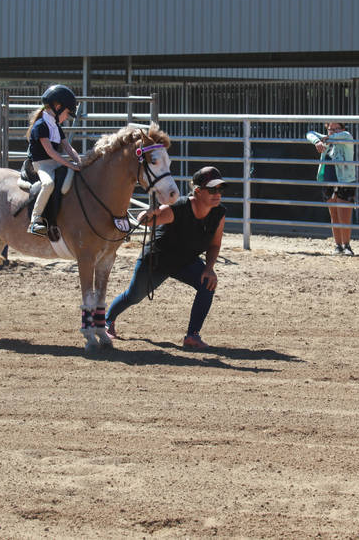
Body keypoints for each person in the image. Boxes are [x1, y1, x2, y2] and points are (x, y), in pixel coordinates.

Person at [105, 166, 227, 350]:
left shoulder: (218, 213)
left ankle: (192, 336)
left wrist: (209, 268)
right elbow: (146, 220)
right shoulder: (178, 207)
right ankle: (108, 321)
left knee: (207, 283)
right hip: (157, 260)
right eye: (212, 189)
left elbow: (215, 245)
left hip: (186, 261)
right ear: (198, 191)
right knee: (134, 296)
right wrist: (148, 213)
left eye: (220, 189)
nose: (217, 194)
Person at [27, 84, 82, 237]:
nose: (67, 117)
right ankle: (36, 219)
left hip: (54, 162)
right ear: (57, 107)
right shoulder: (41, 126)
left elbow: (67, 147)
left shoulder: (56, 126)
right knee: (49, 184)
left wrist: (79, 161)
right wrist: (70, 164)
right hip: (42, 165)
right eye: (67, 113)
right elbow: (50, 152)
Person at [306, 122, 356, 255]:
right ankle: (338, 246)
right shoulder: (326, 139)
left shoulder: (346, 137)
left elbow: (342, 136)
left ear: (343, 129)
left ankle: (347, 245)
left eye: (336, 128)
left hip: (345, 180)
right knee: (333, 213)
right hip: (328, 180)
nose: (333, 131)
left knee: (344, 213)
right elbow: (309, 134)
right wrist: (317, 141)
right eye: (330, 129)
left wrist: (324, 139)